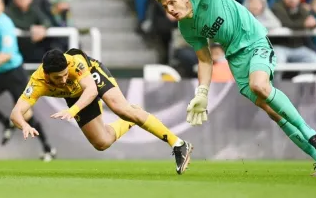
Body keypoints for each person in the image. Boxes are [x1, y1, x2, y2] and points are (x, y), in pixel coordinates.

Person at [153, 0, 316, 177]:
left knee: (260, 86)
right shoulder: (186, 28)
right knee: (274, 112)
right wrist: (202, 92)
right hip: (235, 58)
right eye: (166, 7)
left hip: (254, 41)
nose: (170, 10)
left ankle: (313, 135)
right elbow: (205, 59)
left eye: (172, 3)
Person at [10, 48, 194, 175]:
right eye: (59, 77)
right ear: (46, 74)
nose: (64, 79)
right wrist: (24, 124)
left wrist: (73, 110)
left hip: (93, 78)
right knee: (102, 142)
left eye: (66, 74)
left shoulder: (75, 62)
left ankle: (178, 144)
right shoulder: (37, 83)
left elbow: (91, 90)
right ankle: (133, 116)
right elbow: (16, 113)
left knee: (120, 109)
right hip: (75, 96)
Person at [0, 0, 56, 161]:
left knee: (25, 115)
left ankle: (48, 148)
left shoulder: (5, 24)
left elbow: (7, 54)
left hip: (14, 72)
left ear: (2, 7)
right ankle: (6, 122)